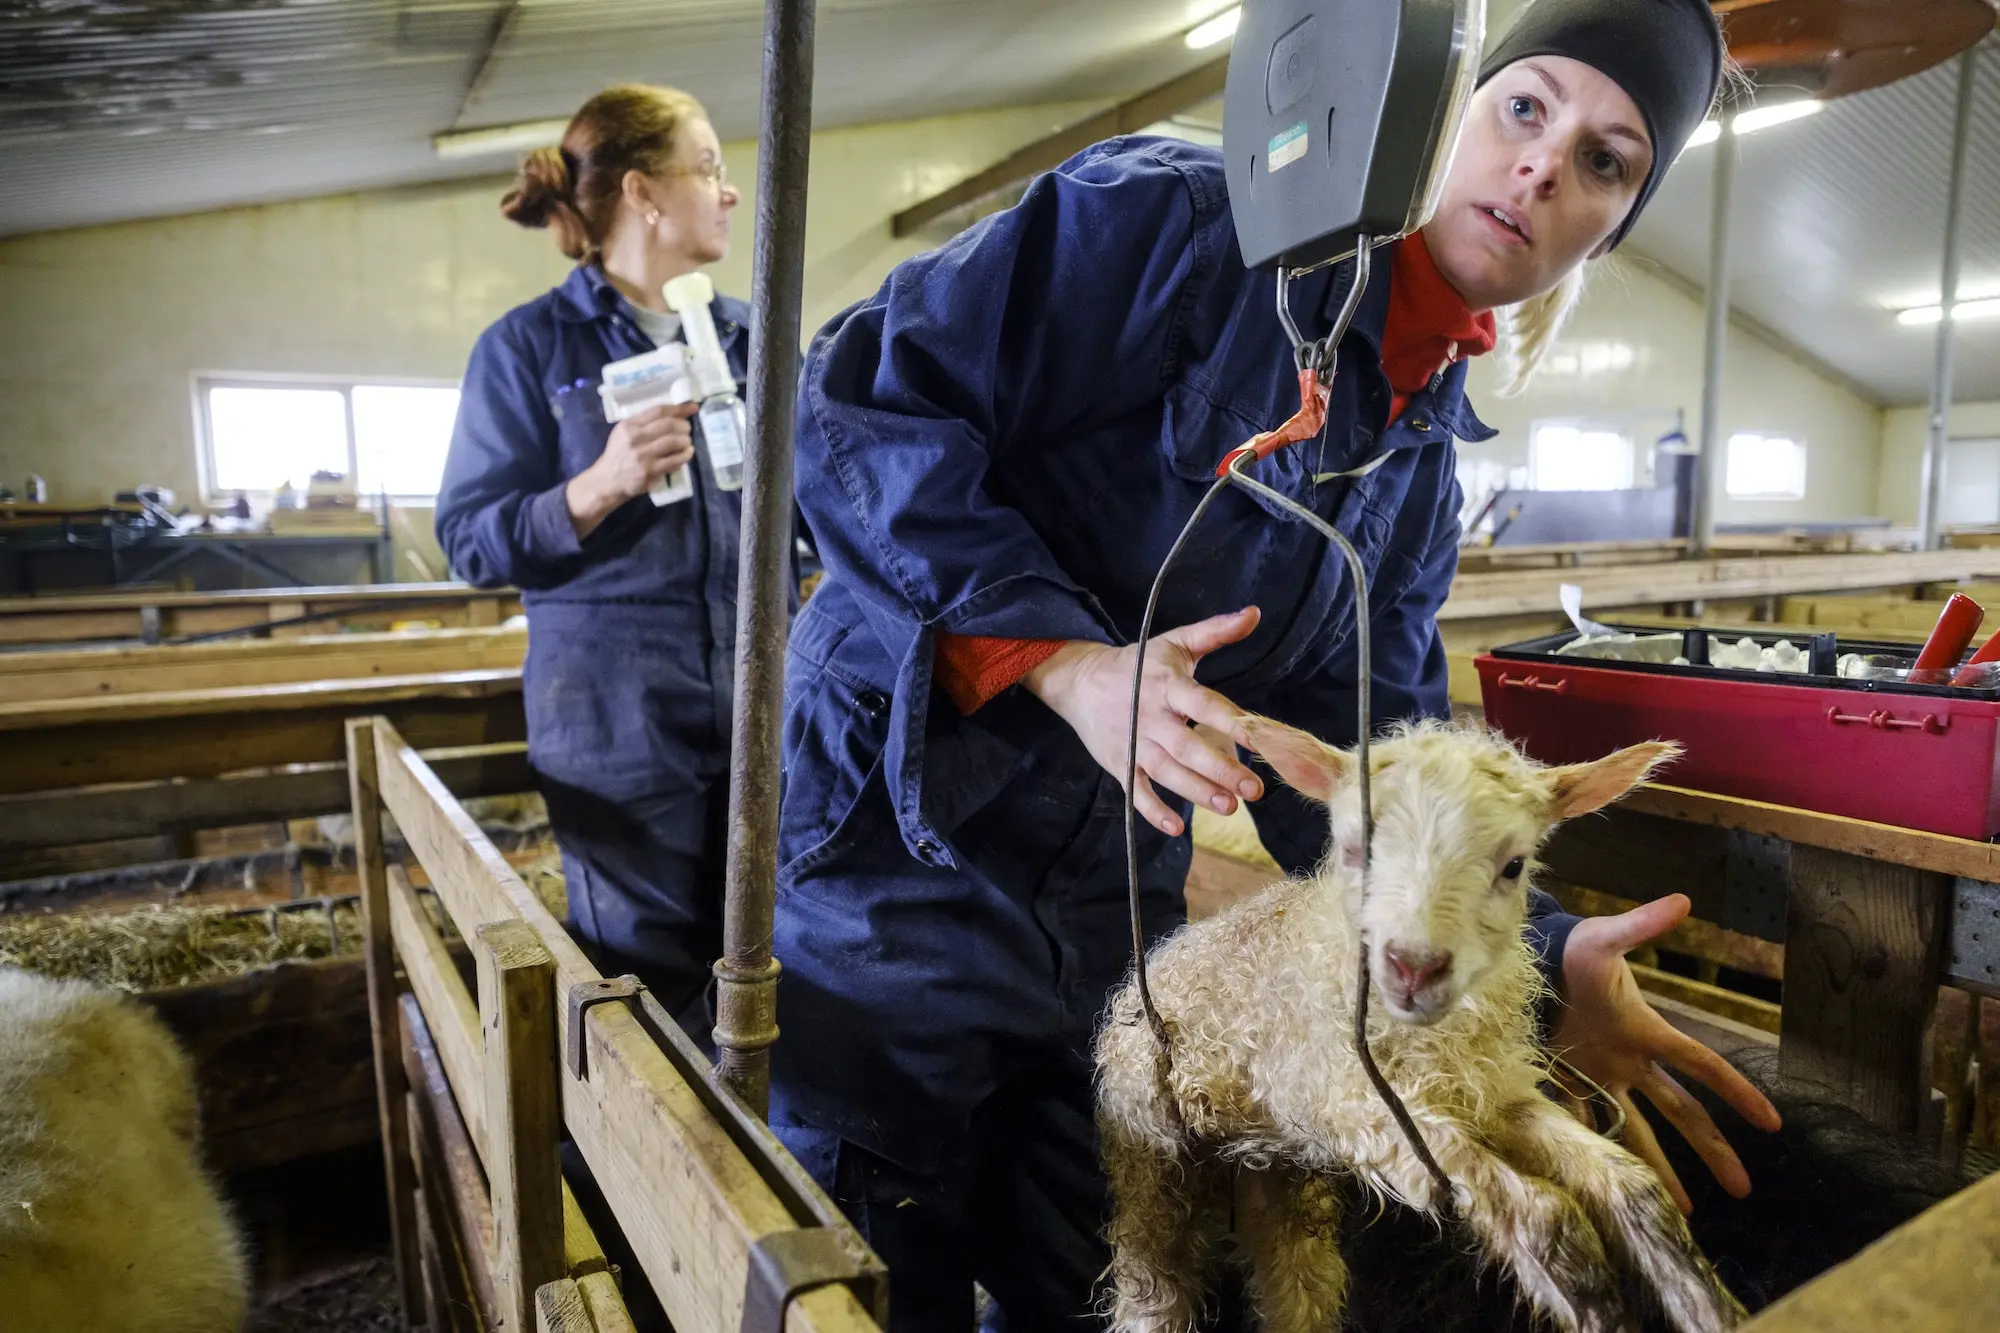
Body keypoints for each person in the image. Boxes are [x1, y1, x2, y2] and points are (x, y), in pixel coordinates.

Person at [774, 0, 1773, 1328]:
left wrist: (1536, 947)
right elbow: (855, 406)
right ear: (1445, 107)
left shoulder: (1416, 469)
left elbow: (1366, 781)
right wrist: (1071, 663)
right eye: (1525, 108)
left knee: (1092, 1259)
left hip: (1112, 908)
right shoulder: (1185, 227)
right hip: (899, 843)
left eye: (1607, 161)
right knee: (868, 1249)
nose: (1544, 166)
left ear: (1610, 228)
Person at [435, 84, 746, 1037]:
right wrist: (596, 485)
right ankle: (623, 1181)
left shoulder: (748, 336)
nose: (730, 192)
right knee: (643, 978)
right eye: (710, 168)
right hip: (616, 721)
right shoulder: (529, 347)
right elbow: (470, 541)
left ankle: (756, 1173)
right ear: (646, 192)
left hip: (757, 697)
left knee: (764, 949)